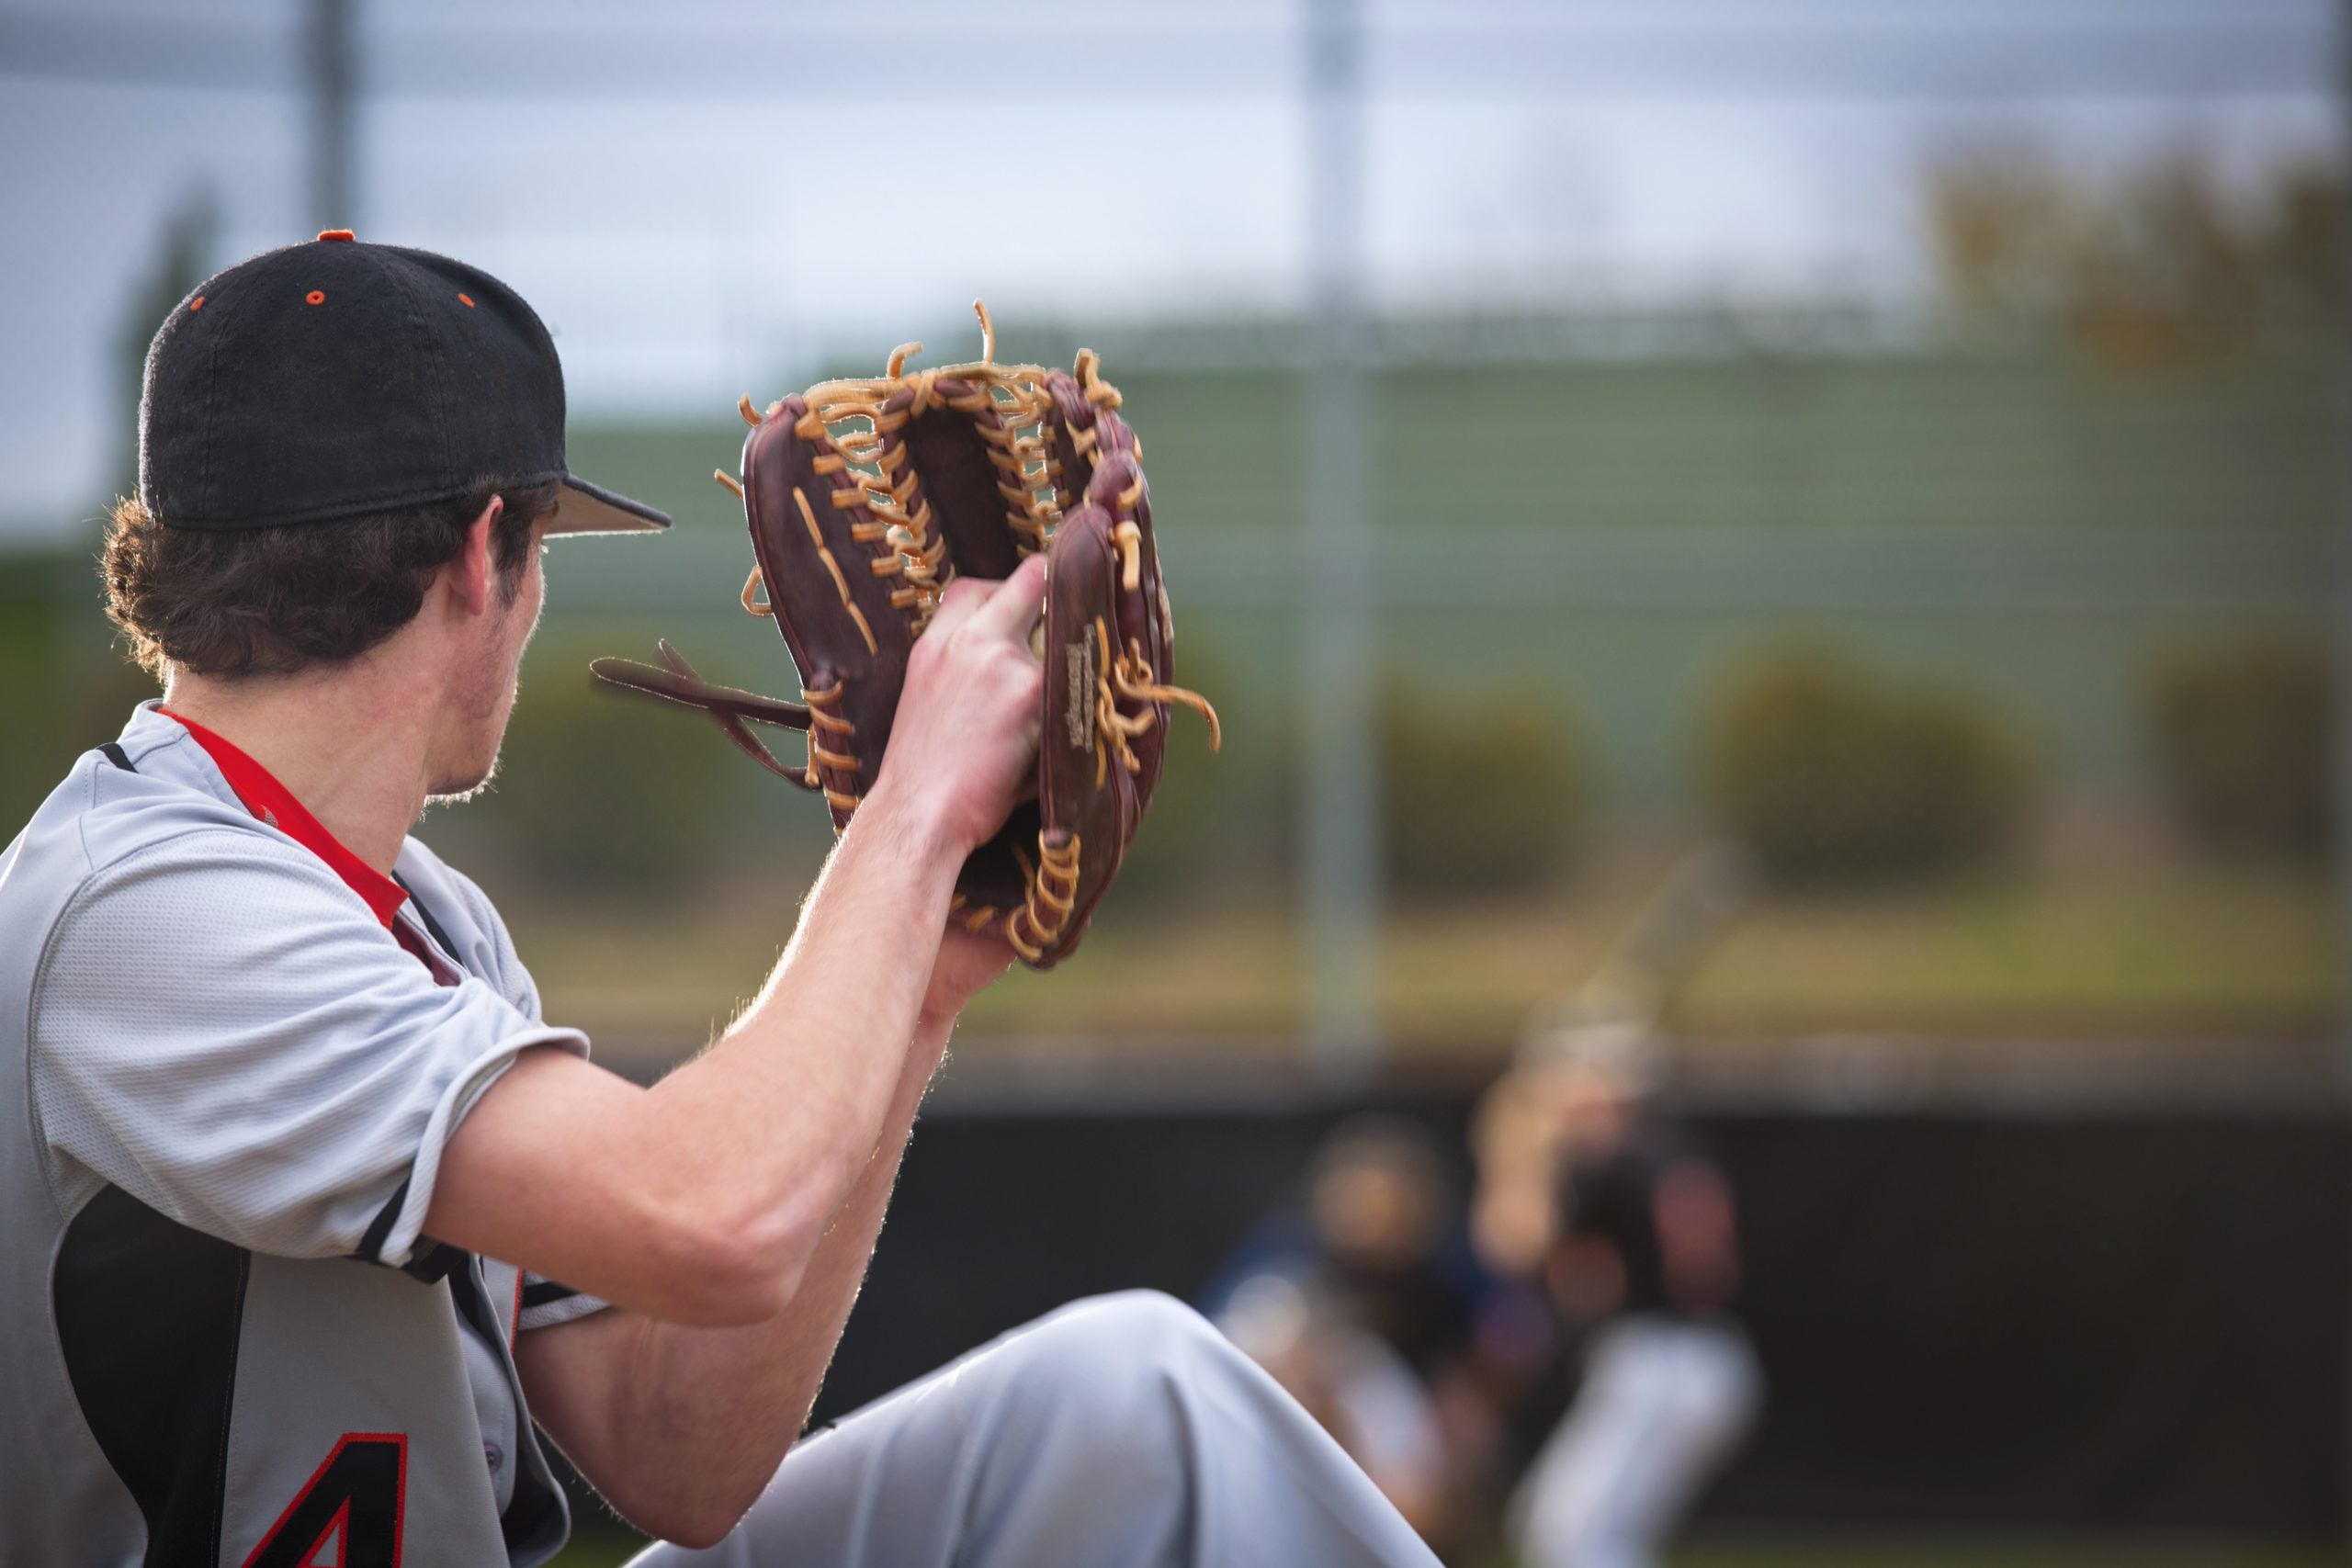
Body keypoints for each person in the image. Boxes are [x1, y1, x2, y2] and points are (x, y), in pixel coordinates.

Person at [0, 233, 1438, 1568]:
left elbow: (675, 1442)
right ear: (483, 555)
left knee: (1135, 1396)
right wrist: (919, 803)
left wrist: (921, 976)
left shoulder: (426, 925)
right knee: (1147, 1392)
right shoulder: (134, 908)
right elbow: (713, 1216)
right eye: (543, 548)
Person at [1473, 1024, 1760, 1568]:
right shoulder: (1672, 1149)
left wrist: (1511, 1151)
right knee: (1592, 1534)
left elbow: (1512, 1243)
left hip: (1659, 1364)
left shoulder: (1603, 1164)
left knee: (1566, 1533)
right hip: (1704, 1360)